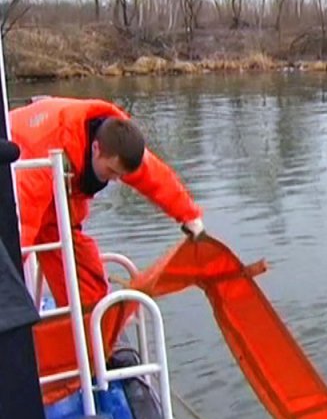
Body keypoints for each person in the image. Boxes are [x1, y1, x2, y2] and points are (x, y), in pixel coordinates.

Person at [12, 97, 205, 307]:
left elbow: (156, 177)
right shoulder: (42, 160)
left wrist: (190, 216)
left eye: (120, 175)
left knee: (90, 290)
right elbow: (20, 225)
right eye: (111, 172)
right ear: (95, 148)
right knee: (17, 261)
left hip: (58, 209)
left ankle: (91, 327)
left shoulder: (119, 144)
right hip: (16, 162)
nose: (115, 179)